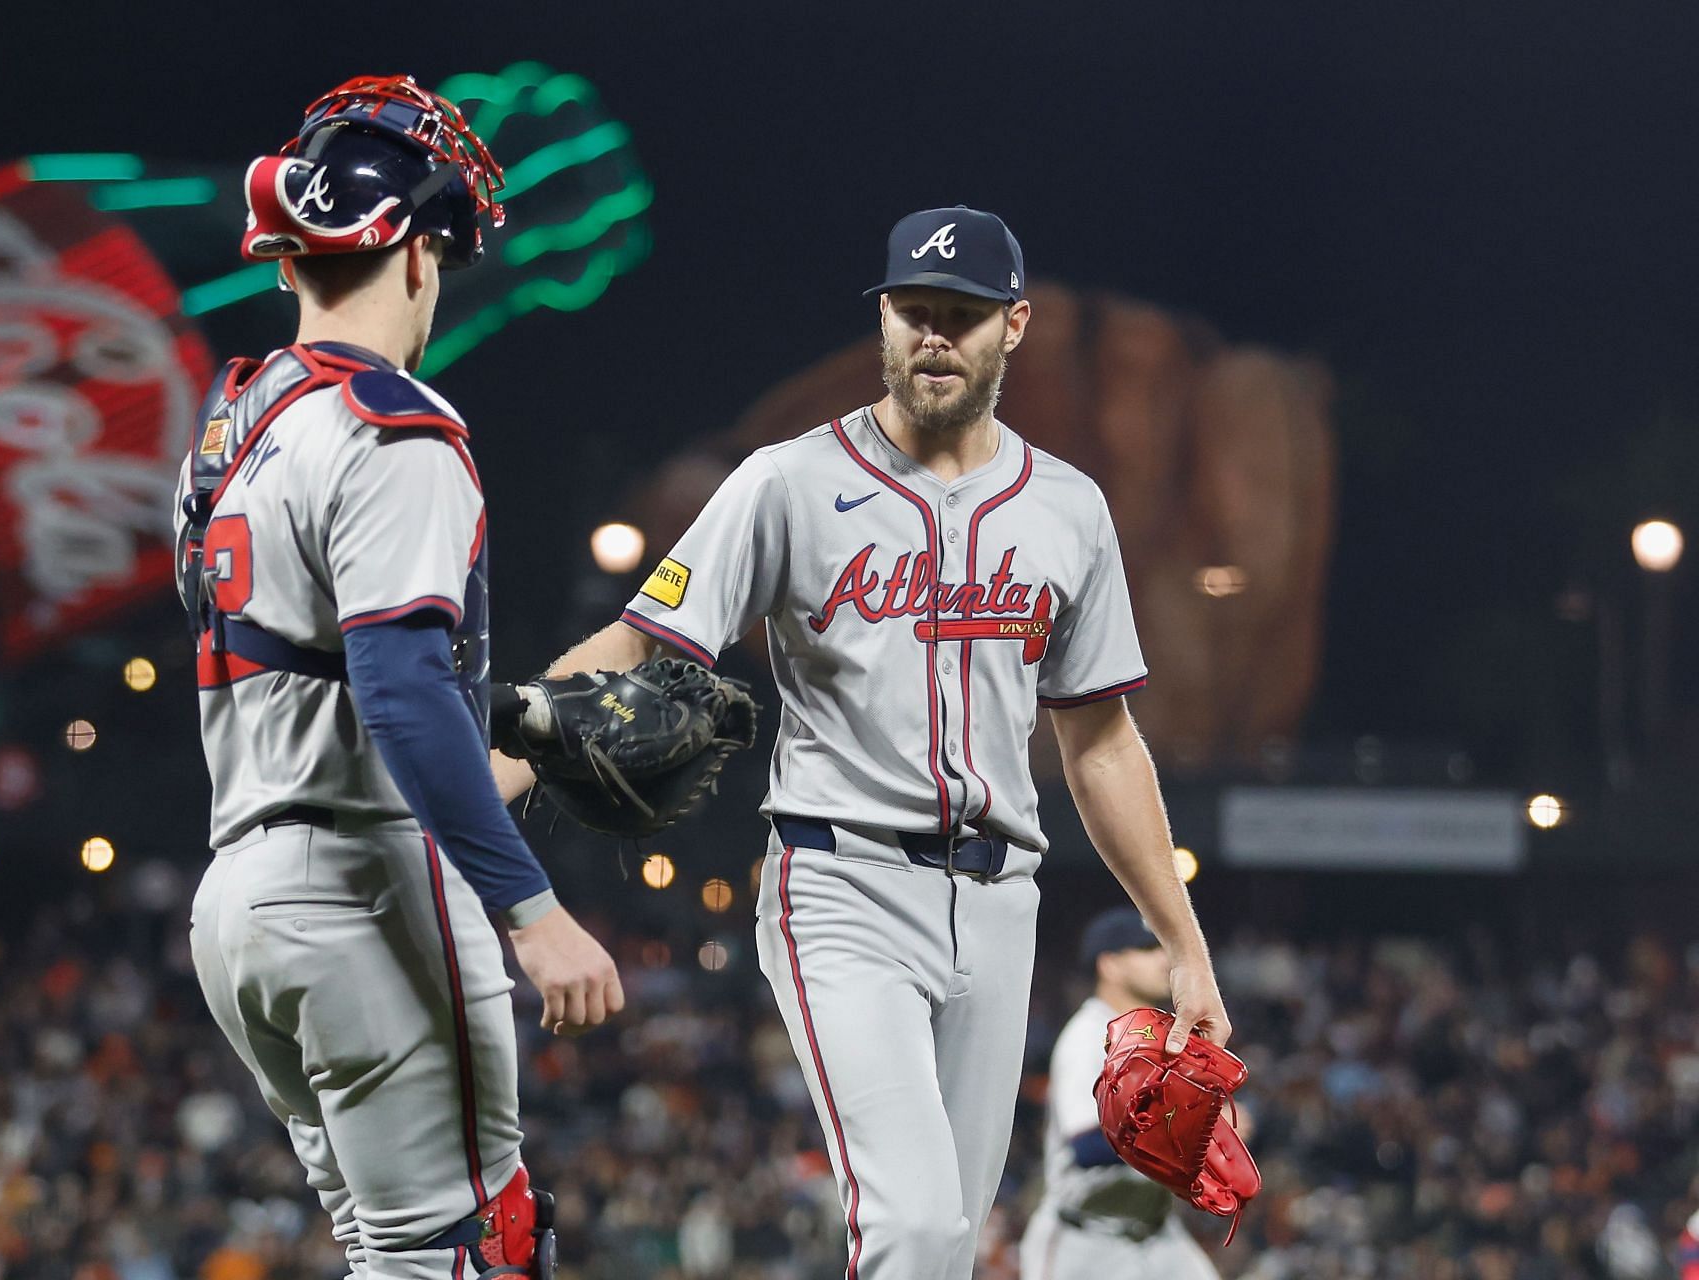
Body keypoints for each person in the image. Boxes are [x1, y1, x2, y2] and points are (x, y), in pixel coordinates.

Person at [493, 205, 1231, 1279]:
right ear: (883, 318)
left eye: (963, 315)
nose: (936, 334)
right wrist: (479, 773)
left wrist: (1187, 945)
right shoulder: (785, 483)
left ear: (1013, 326)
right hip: (841, 883)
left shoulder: (1069, 509)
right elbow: (636, 642)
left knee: (948, 1242)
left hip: (999, 901)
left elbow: (1103, 741)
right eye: (915, 309)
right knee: (916, 1223)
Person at [176, 74, 622, 1279]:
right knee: (467, 1251)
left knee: (387, 1249)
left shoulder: (237, 425)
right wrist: (536, 915)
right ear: (418, 257)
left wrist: (527, 747)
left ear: (288, 261)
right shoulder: (398, 427)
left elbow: (325, 689)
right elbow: (397, 690)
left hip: (242, 900)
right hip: (363, 887)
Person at [1019, 909, 1221, 1280]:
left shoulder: (1161, 1038)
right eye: (1146, 949)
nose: (1164, 958)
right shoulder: (1088, 1036)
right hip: (1086, 1241)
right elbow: (1089, 1145)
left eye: (1162, 947)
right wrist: (1192, 1136)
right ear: (1109, 964)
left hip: (1158, 1234)